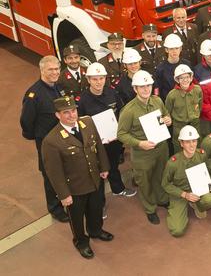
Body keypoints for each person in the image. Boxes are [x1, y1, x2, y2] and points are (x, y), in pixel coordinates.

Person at [42, 95, 112, 259]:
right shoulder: (51, 141)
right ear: (58, 115)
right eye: (66, 112)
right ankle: (81, 241)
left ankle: (95, 230)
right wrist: (64, 194)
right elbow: (54, 172)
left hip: (94, 179)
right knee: (77, 218)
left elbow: (98, 146)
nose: (71, 115)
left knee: (96, 209)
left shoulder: (86, 122)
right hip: (75, 187)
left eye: (73, 110)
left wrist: (104, 166)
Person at [78, 63, 135, 218]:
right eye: (94, 79)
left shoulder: (112, 93)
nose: (98, 82)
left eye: (101, 78)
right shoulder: (83, 100)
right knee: (97, 173)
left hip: (113, 140)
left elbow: (121, 113)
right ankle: (99, 204)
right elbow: (80, 124)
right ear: (88, 80)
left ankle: (118, 188)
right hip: (95, 144)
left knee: (113, 165)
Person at [117, 70, 171, 225]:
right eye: (142, 87)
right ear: (135, 89)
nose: (146, 89)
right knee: (145, 182)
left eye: (148, 85)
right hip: (142, 153)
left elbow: (166, 115)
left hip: (161, 148)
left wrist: (168, 119)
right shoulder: (129, 111)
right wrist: (139, 143)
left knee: (160, 176)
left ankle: (162, 199)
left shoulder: (157, 101)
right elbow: (121, 134)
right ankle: (150, 208)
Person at [20, 55, 65, 222]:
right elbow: (26, 120)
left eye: (57, 69)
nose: (54, 72)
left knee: (64, 169)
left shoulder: (59, 88)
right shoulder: (34, 94)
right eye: (50, 69)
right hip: (47, 142)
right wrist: (37, 137)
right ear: (42, 70)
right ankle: (55, 208)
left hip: (62, 138)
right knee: (50, 174)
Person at [161, 126, 211, 237]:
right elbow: (165, 184)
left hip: (197, 188)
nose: (192, 145)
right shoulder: (173, 163)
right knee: (177, 230)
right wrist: (185, 195)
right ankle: (182, 206)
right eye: (187, 142)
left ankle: (196, 204)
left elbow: (206, 171)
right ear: (181, 144)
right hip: (180, 192)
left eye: (194, 141)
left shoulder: (201, 155)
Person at [165, 65, 203, 149]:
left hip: (195, 125)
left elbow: (200, 106)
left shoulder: (198, 90)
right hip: (179, 127)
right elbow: (167, 111)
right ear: (177, 80)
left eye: (187, 77)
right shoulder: (172, 95)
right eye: (181, 78)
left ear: (191, 78)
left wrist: (195, 115)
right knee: (180, 150)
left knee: (195, 148)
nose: (185, 80)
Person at [154, 34, 190, 101]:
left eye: (177, 48)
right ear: (166, 50)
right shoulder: (160, 69)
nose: (174, 51)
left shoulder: (187, 64)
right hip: (169, 104)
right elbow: (157, 89)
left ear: (181, 48)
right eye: (171, 49)